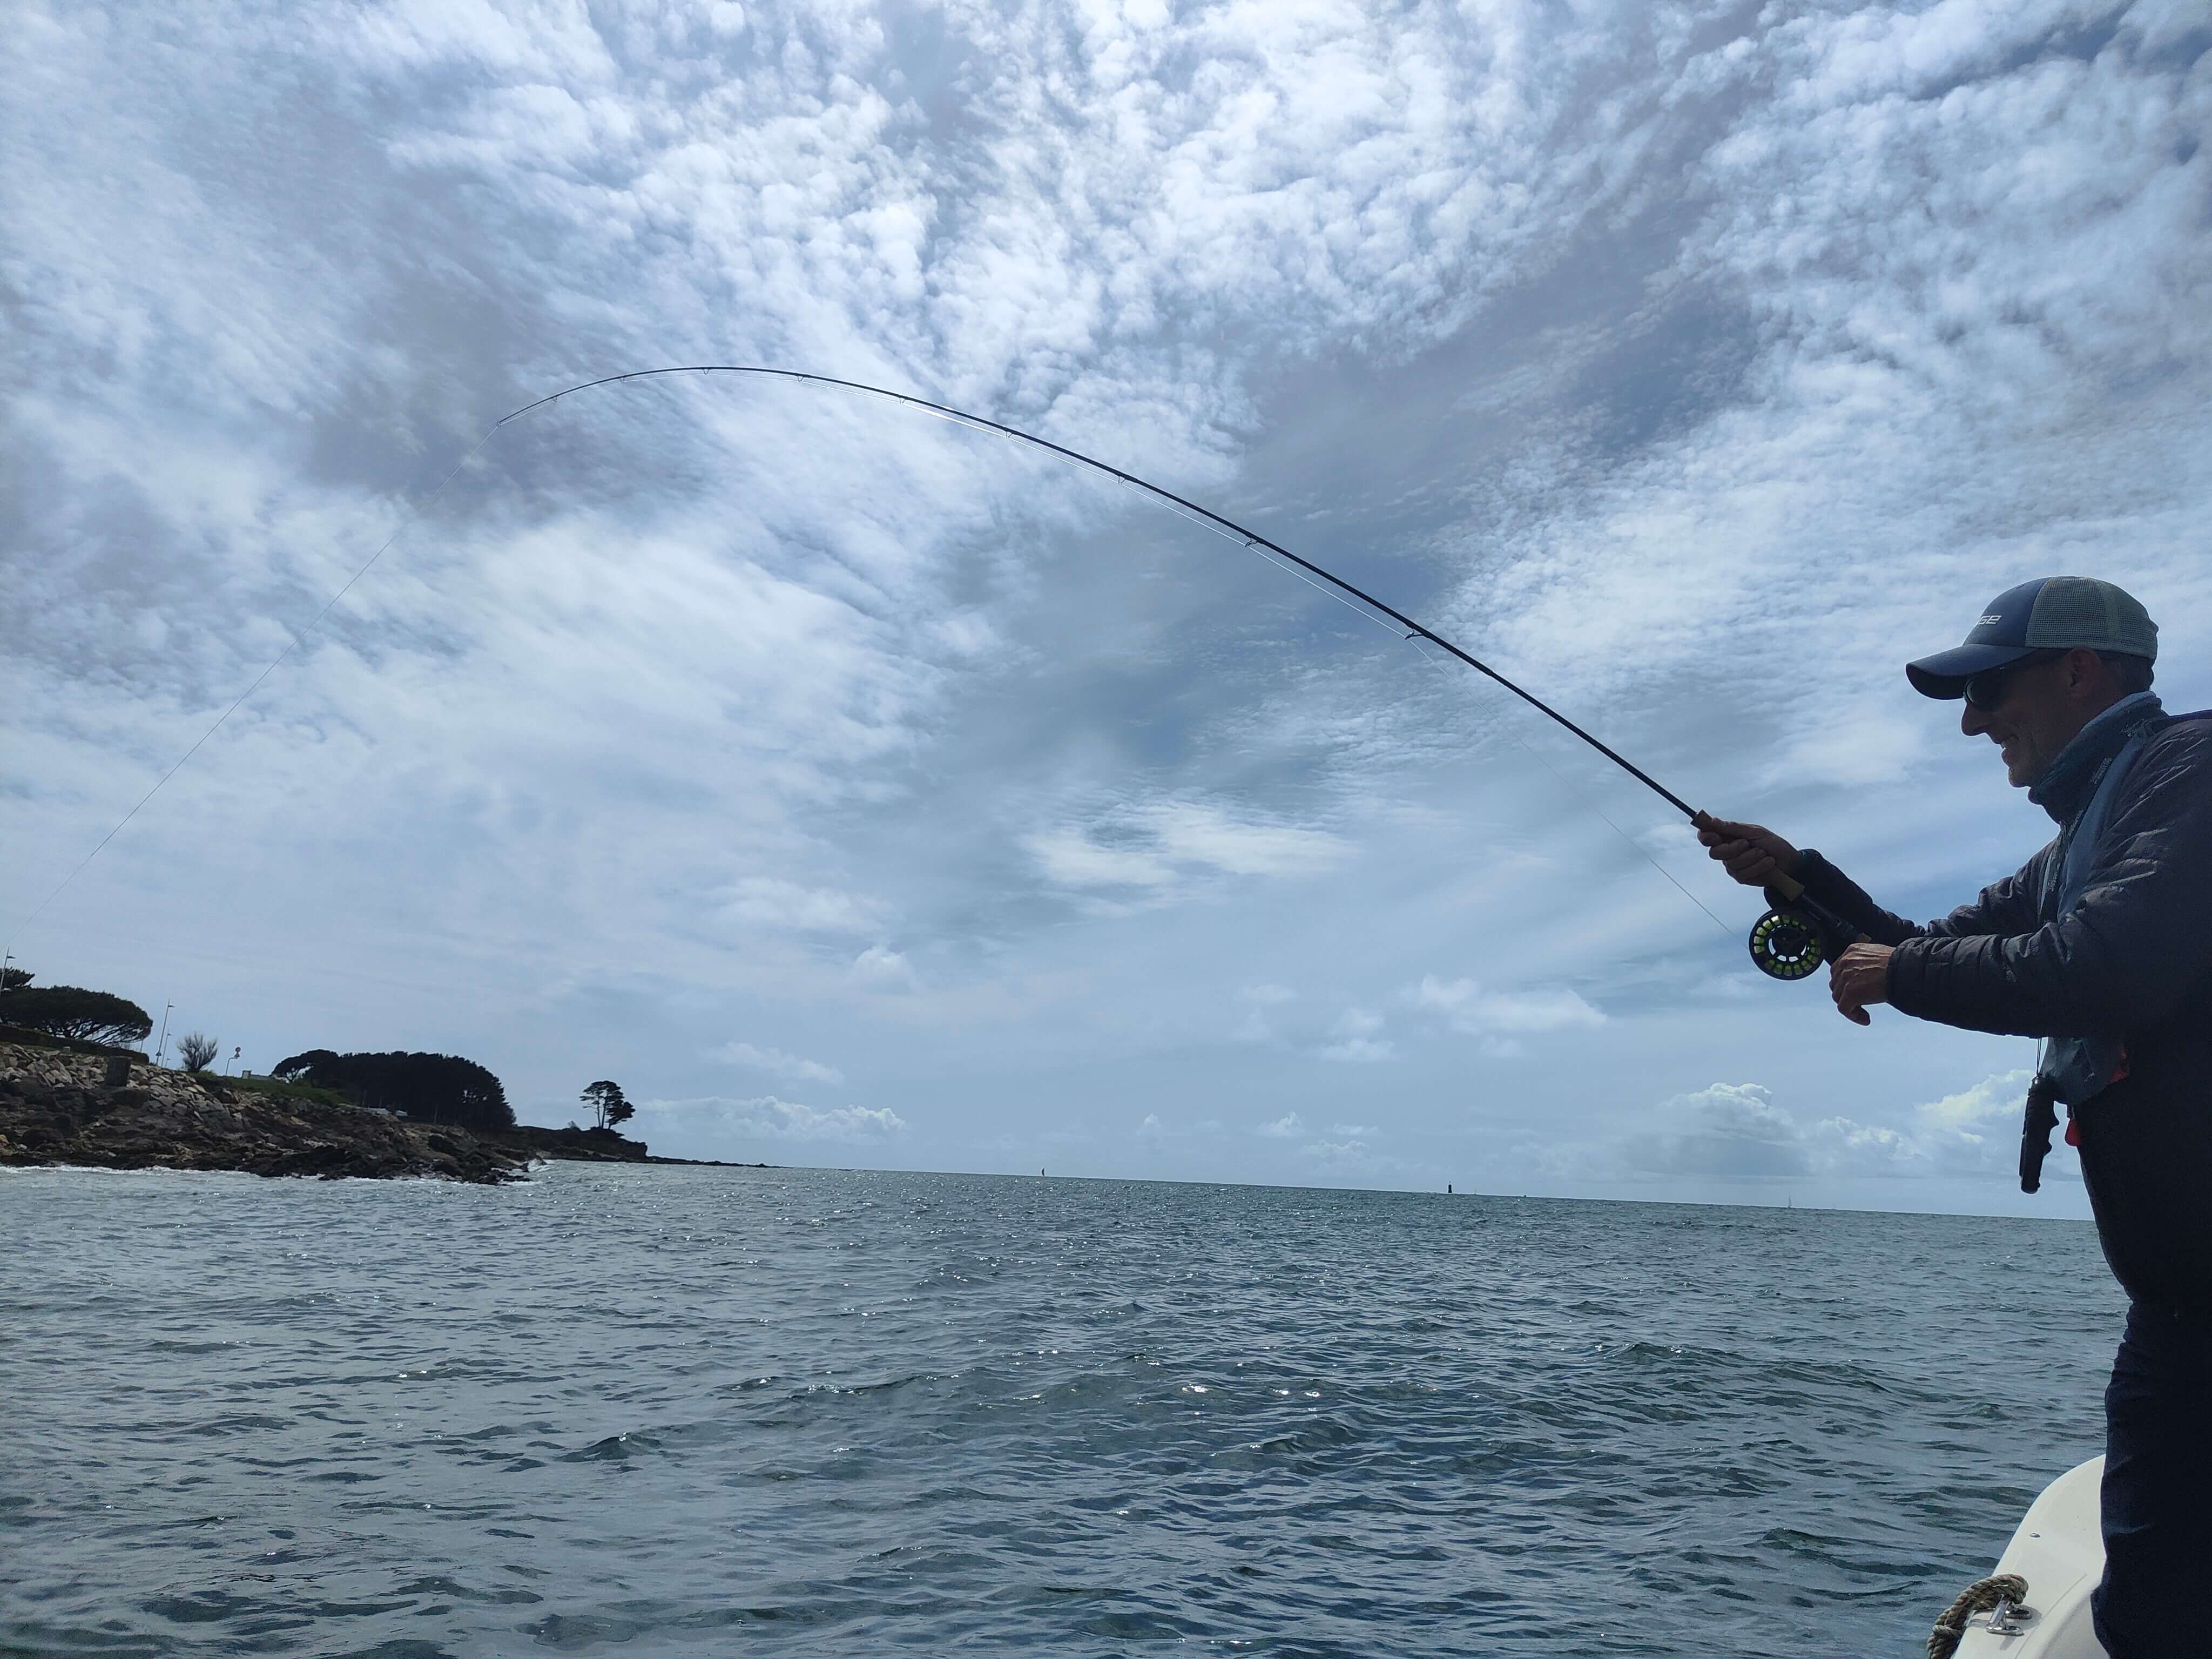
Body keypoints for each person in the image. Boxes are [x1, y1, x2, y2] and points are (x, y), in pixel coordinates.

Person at [1695, 576, 2210, 1659]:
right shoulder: (2087, 835)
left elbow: (2111, 964)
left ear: (2079, 670)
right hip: (2180, 1306)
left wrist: (1899, 970)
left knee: (2157, 1615)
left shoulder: (2188, 772)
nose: (1972, 723)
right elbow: (1915, 944)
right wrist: (1796, 878)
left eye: (1985, 691)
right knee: (2155, 1604)